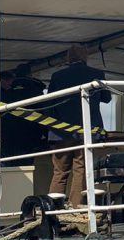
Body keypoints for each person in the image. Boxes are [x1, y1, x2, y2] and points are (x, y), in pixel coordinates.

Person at [46, 45, 111, 206]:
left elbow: (49, 102)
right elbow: (107, 98)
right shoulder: (96, 75)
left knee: (60, 172)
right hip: (87, 130)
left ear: (68, 58)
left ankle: (54, 209)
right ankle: (76, 207)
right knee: (80, 169)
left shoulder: (57, 76)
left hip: (60, 131)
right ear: (85, 57)